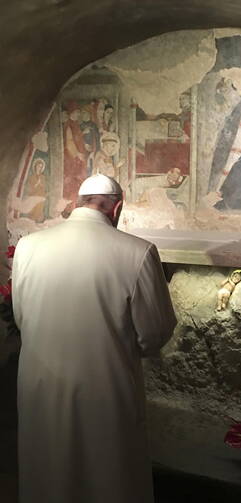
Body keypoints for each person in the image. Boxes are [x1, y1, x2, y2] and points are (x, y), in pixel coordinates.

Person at [11, 173, 177, 503]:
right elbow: (154, 333)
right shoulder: (139, 252)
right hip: (105, 392)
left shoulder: (28, 247)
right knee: (108, 477)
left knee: (48, 472)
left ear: (78, 203)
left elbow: (21, 318)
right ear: (116, 209)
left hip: (41, 388)